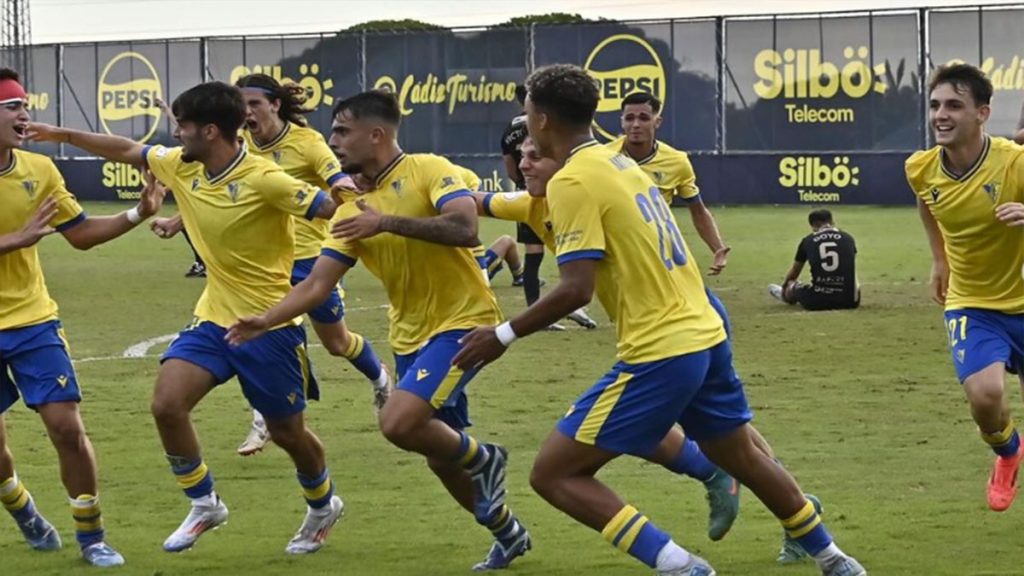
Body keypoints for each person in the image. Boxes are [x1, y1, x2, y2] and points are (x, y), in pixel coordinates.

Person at [454, 64, 865, 576]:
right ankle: (835, 559)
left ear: (540, 118)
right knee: (742, 456)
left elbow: (576, 288)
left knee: (554, 474)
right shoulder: (617, 160)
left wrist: (502, 334)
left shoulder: (574, 181)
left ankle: (681, 566)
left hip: (663, 346)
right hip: (703, 329)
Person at [28, 81, 346, 555]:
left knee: (287, 433)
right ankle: (204, 502)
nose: (175, 134)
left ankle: (322, 503)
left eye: (183, 126)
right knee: (166, 404)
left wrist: (346, 197)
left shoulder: (266, 179)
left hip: (270, 327)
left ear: (211, 131)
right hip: (214, 319)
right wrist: (61, 134)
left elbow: (334, 211)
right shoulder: (181, 165)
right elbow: (126, 149)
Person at [226, 90, 531, 571]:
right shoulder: (348, 209)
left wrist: (386, 222)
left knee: (398, 422)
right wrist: (267, 318)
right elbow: (318, 284)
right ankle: (507, 532)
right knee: (439, 455)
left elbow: (464, 228)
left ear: (376, 134)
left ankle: (487, 459)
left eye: (342, 131)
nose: (333, 141)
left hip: (465, 322)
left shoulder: (430, 169)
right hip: (409, 336)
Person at [473, 135, 740, 542]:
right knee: (632, 423)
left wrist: (503, 334)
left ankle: (763, 516)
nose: (525, 164)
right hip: (657, 323)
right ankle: (757, 495)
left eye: (536, 156)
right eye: (520, 157)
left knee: (736, 442)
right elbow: (474, 200)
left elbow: (575, 289)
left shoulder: (591, 177)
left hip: (677, 319)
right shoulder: (533, 201)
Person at [153, 74, 391, 456]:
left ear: (275, 105)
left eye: (255, 104)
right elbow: (223, 195)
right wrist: (177, 220)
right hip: (261, 261)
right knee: (252, 333)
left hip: (312, 261)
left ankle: (380, 377)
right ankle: (264, 417)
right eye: (241, 105)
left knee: (336, 342)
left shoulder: (308, 143)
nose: (247, 113)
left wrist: (355, 204)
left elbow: (337, 180)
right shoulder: (238, 145)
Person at [1, 66, 169, 567]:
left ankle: (91, 537)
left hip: (33, 322)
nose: (24, 114)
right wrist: (14, 240)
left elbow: (78, 233)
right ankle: (24, 510)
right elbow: (21, 239)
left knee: (66, 428)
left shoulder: (39, 170)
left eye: (24, 105)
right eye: (11, 106)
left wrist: (138, 213)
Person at [907, 63, 1024, 511]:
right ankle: (1009, 453)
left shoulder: (1013, 161)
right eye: (935, 105)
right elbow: (927, 204)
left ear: (982, 113)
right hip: (973, 302)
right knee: (986, 397)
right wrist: (939, 259)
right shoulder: (921, 168)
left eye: (954, 105)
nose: (941, 114)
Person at [608, 92, 729, 276]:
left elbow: (698, 210)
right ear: (622, 122)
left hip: (657, 246)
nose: (636, 125)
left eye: (644, 118)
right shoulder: (603, 157)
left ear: (657, 122)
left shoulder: (677, 161)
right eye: (629, 118)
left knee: (696, 298)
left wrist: (718, 248)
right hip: (614, 245)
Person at [501, 84, 547, 305]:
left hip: (526, 193)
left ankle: (533, 307)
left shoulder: (511, 128)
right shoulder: (545, 123)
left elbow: (510, 166)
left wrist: (521, 183)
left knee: (533, 252)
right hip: (554, 190)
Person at [768, 209, 860, 311]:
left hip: (818, 300)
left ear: (813, 225)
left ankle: (785, 294)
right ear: (832, 222)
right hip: (850, 301)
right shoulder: (848, 238)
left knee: (792, 285)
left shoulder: (808, 240)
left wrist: (785, 286)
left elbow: (795, 271)